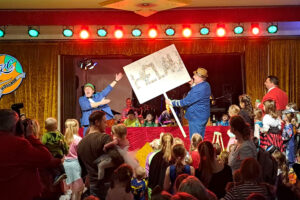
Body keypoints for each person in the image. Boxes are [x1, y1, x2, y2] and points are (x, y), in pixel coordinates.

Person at [0, 109, 60, 200]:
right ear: (14, 126)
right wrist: (30, 136)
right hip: (20, 194)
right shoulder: (18, 144)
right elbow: (45, 157)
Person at [77, 111, 124, 199]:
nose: (106, 125)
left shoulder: (81, 144)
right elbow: (118, 159)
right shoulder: (104, 138)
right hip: (107, 185)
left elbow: (82, 170)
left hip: (93, 186)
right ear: (97, 122)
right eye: (104, 121)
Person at [166, 67, 211, 139]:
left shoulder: (199, 89)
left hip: (197, 117)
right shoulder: (206, 85)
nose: (193, 77)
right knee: (199, 138)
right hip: (201, 117)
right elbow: (197, 94)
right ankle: (198, 149)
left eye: (195, 76)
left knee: (195, 140)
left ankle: (195, 150)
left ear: (200, 78)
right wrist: (193, 84)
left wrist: (171, 102)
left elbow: (185, 102)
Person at [42, 117, 68, 185]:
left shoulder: (46, 135)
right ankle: (63, 171)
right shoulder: (60, 135)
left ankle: (58, 175)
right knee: (59, 163)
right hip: (59, 153)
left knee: (53, 166)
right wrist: (66, 152)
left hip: (51, 154)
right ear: (56, 126)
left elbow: (43, 144)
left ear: (46, 127)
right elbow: (65, 144)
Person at [63, 119, 84, 200]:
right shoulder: (79, 139)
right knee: (76, 191)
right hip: (76, 165)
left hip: (65, 165)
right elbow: (81, 154)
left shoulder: (63, 139)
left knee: (67, 190)